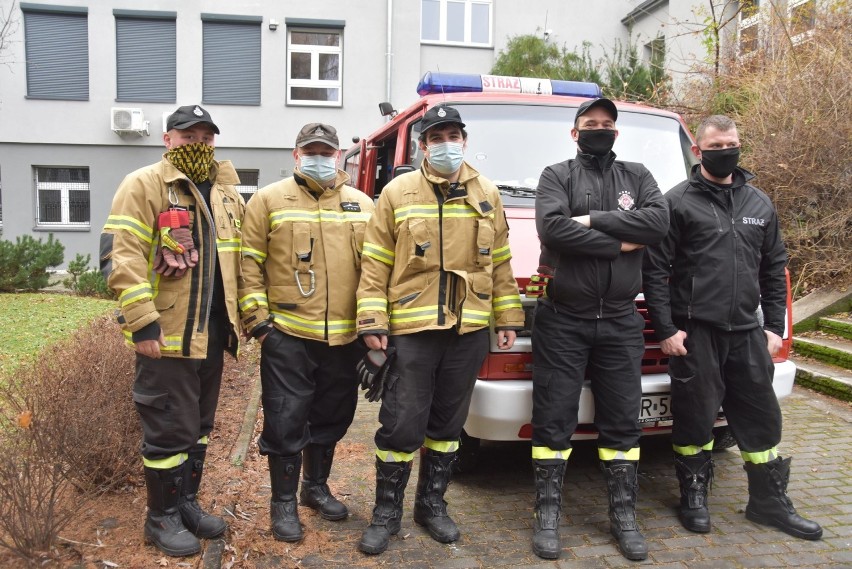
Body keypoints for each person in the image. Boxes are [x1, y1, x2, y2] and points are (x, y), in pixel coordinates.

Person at [642, 115, 822, 541]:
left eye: (733, 143)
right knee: (695, 419)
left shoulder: (759, 202)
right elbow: (655, 271)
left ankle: (768, 502)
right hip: (695, 332)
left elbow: (774, 267)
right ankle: (694, 497)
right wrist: (667, 329)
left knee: (761, 419)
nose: (727, 150)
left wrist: (773, 325)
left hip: (746, 332)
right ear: (698, 151)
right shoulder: (677, 202)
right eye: (717, 145)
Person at [355, 104, 525, 555]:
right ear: (423, 145)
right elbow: (375, 261)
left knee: (449, 425)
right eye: (437, 137)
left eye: (454, 136)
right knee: (400, 426)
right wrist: (372, 320)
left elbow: (501, 263)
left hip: (467, 329)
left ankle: (431, 505)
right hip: (412, 328)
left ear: (464, 141)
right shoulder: (398, 193)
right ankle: (386, 513)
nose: (447, 144)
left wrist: (507, 317)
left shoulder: (487, 192)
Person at [100, 105, 245, 557]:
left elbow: (242, 261)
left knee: (198, 428)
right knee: (166, 428)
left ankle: (185, 503)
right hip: (167, 335)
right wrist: (142, 322)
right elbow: (119, 255)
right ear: (167, 140)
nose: (198, 143)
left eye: (205, 136)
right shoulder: (144, 185)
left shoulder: (226, 195)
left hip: (213, 334)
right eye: (187, 136)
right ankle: (159, 517)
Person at [529, 97, 669, 561]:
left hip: (621, 323)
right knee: (553, 421)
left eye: (607, 124)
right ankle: (547, 515)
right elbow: (552, 229)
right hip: (563, 320)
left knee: (623, 423)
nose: (600, 130)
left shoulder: (639, 174)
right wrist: (619, 244)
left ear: (616, 132)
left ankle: (624, 517)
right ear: (575, 133)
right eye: (591, 124)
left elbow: (658, 221)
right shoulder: (556, 175)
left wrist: (591, 221)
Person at [238, 123, 375, 542]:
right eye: (310, 151)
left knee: (332, 416)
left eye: (326, 151)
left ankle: (314, 488)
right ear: (296, 155)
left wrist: (372, 328)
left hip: (344, 340)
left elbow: (376, 268)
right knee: (285, 420)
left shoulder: (362, 204)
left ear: (337, 156)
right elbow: (248, 263)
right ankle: (282, 506)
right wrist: (260, 324)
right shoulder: (268, 200)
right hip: (289, 335)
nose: (319, 158)